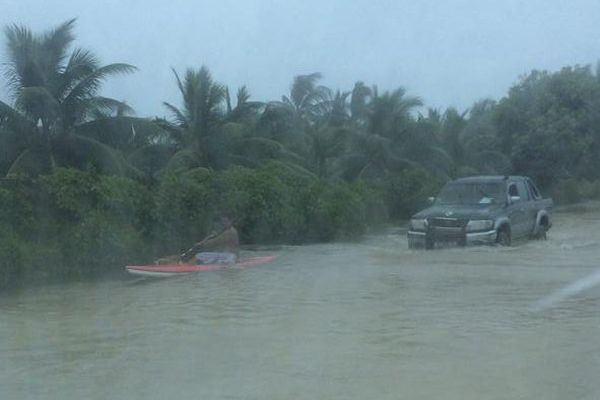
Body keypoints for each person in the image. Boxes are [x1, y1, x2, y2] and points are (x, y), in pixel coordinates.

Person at [155, 215, 240, 265]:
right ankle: (185, 265)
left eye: (225, 221)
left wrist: (201, 243)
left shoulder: (230, 232)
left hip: (229, 257)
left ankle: (184, 267)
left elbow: (214, 242)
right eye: (223, 221)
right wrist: (206, 239)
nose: (223, 223)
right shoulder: (229, 231)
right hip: (229, 257)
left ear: (231, 221)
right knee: (202, 256)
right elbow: (216, 241)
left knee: (199, 255)